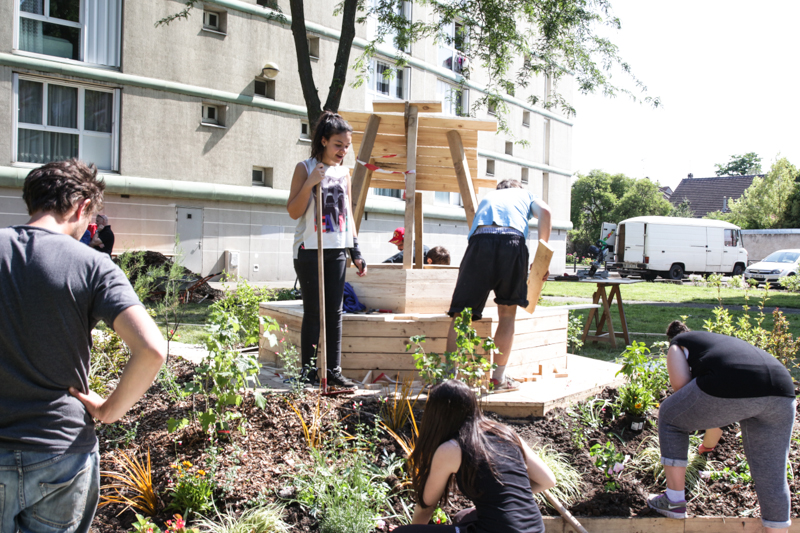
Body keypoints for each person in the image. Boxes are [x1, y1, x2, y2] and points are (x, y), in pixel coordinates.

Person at [0, 159, 167, 533]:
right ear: (81, 206)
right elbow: (152, 350)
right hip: (61, 450)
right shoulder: (93, 265)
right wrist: (108, 410)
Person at [649, 321, 796, 532]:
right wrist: (707, 448)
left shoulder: (678, 344)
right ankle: (778, 529)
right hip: (782, 389)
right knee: (771, 471)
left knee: (671, 416)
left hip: (735, 380)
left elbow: (683, 391)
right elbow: (713, 412)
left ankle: (674, 500)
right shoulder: (715, 344)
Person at [394, 379, 556, 533]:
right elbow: (548, 480)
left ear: (437, 415)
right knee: (463, 517)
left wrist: (415, 530)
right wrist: (501, 502)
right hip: (535, 529)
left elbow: (427, 506)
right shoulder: (506, 433)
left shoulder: (452, 448)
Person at [446, 179, 551, 391]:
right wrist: (543, 256)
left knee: (462, 315)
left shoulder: (489, 197)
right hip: (512, 242)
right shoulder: (526, 195)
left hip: (480, 241)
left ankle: (448, 379)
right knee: (507, 314)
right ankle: (498, 379)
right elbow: (546, 212)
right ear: (517, 188)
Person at [287, 111, 366, 388]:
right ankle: (308, 371)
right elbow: (293, 211)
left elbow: (348, 214)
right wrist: (311, 183)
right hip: (310, 249)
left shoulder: (345, 172)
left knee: (335, 313)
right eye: (337, 145)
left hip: (336, 250)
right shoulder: (305, 168)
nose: (343, 151)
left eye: (346, 146)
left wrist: (355, 250)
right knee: (313, 311)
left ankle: (332, 370)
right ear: (323, 141)